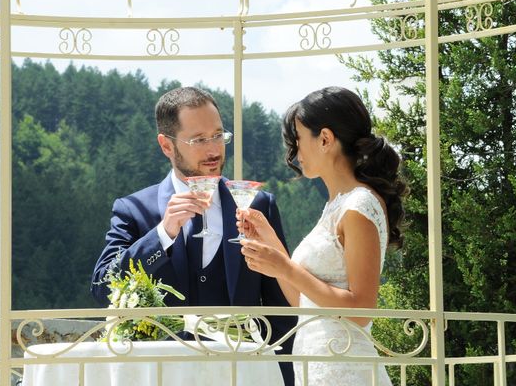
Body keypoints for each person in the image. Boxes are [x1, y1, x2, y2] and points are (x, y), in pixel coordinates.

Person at [91, 86, 296, 386]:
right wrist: (163, 233)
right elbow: (102, 286)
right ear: (167, 145)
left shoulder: (257, 204)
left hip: (241, 374)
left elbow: (281, 308)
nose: (214, 149)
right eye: (199, 140)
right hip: (160, 374)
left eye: (217, 135)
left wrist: (285, 376)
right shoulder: (133, 210)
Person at [239, 86, 407, 386]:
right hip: (316, 365)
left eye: (299, 140)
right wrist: (270, 241)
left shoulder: (359, 205)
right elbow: (303, 300)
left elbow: (361, 310)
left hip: (346, 368)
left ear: (326, 139)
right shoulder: (336, 204)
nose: (295, 153)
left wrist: (284, 266)